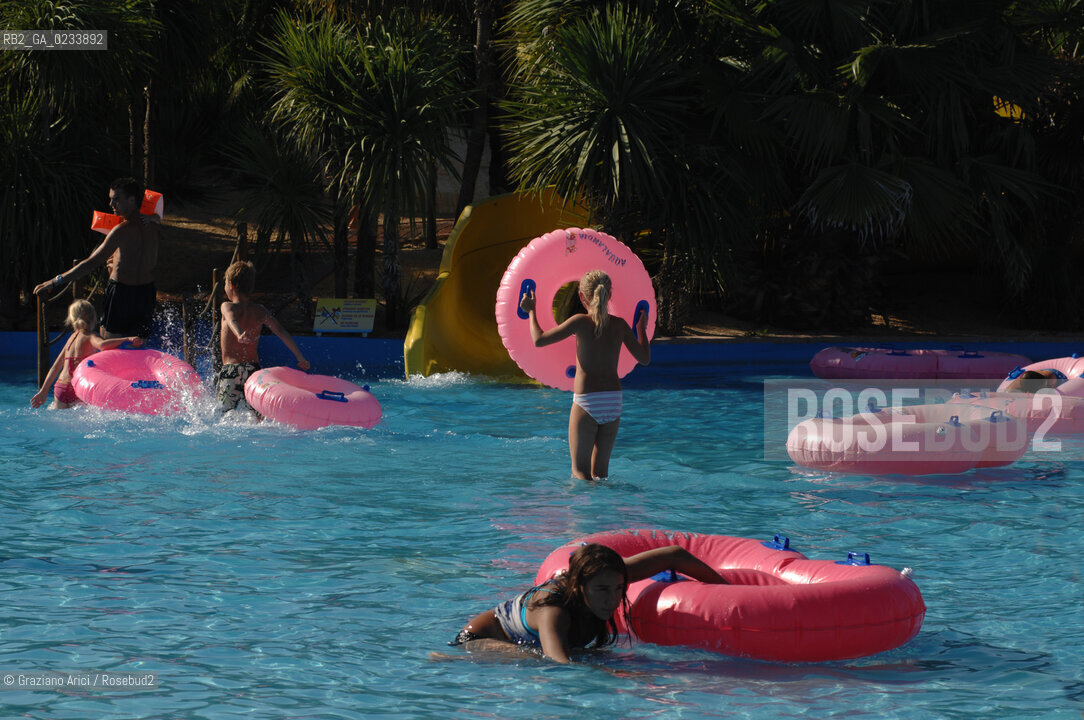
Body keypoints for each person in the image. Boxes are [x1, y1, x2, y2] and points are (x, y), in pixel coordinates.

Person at [450, 543, 728, 664]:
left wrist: (729, 591)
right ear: (579, 586)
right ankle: (445, 658)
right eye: (603, 590)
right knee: (535, 659)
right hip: (477, 640)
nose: (612, 598)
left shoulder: (607, 575)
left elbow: (674, 555)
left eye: (619, 588)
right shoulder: (553, 612)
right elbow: (559, 663)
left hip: (544, 638)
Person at [519, 269, 650, 479]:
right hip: (613, 402)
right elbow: (644, 358)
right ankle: (605, 511)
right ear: (610, 294)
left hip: (587, 401)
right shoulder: (620, 325)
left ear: (582, 296)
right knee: (601, 474)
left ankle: (584, 512)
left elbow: (539, 339)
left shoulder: (580, 322)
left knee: (580, 472)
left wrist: (531, 311)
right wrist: (641, 328)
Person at [33, 178, 160, 339]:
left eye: (116, 199)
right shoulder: (153, 226)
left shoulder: (120, 231)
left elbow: (91, 263)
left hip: (121, 292)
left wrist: (55, 281)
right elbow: (152, 261)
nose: (111, 204)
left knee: (109, 341)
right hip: (146, 292)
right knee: (139, 343)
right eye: (111, 199)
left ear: (132, 200)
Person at [215, 260, 310, 413]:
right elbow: (281, 331)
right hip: (254, 372)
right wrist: (300, 357)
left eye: (225, 283)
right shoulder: (260, 310)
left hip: (231, 370)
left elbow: (232, 319)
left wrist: (239, 333)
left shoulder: (227, 306)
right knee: (256, 416)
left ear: (231, 285)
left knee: (222, 414)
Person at [30, 299, 142, 409]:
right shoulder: (90, 336)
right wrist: (126, 339)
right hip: (78, 386)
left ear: (72, 319)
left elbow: (55, 367)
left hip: (60, 387)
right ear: (93, 318)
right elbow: (102, 345)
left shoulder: (71, 338)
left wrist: (43, 392)